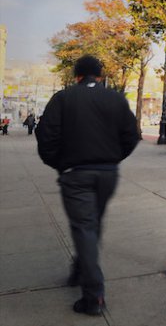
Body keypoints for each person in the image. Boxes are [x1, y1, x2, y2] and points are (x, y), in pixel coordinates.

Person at [35, 55, 139, 316]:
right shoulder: (116, 98)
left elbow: (46, 136)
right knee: (92, 226)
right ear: (100, 76)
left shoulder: (63, 98)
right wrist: (113, 158)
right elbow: (131, 135)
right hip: (108, 174)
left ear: (77, 76)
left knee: (84, 227)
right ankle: (80, 269)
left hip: (76, 174)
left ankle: (93, 297)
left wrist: (60, 164)